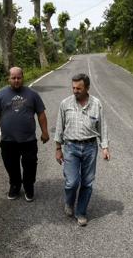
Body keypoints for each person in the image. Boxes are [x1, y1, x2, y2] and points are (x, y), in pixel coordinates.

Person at [54, 73, 110, 227]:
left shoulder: (96, 104)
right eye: (73, 88)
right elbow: (59, 127)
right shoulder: (65, 104)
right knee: (72, 182)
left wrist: (104, 147)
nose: (75, 91)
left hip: (90, 147)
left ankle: (81, 212)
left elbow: (102, 126)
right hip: (71, 146)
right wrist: (58, 148)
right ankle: (69, 202)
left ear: (87, 88)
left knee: (87, 182)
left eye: (79, 88)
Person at [0, 67, 49, 202]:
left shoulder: (32, 94)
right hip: (8, 141)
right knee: (11, 165)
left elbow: (41, 114)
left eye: (19, 78)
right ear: (8, 79)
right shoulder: (0, 95)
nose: (16, 80)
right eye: (13, 78)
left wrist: (45, 132)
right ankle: (15, 185)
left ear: (23, 77)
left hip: (28, 140)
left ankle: (28, 186)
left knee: (30, 165)